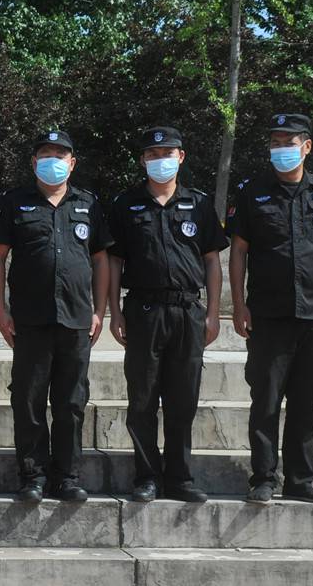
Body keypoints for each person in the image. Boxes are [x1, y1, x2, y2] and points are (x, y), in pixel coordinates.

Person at [228, 113, 313, 505]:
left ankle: (300, 479)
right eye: (275, 143)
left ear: (306, 146)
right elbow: (238, 252)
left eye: (289, 142)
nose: (281, 149)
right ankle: (263, 478)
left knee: (306, 401)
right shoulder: (252, 192)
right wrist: (238, 305)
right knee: (265, 400)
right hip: (268, 315)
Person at [0, 129, 112, 503]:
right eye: (45, 155)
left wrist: (99, 310)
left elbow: (100, 259)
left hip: (76, 319)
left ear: (72, 163)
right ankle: (33, 476)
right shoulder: (14, 202)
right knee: (28, 401)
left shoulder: (88, 203)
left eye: (60, 155)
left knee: (71, 402)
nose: (52, 161)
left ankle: (67, 477)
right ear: (34, 162)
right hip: (30, 319)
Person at [107, 126, 228, 503]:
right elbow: (114, 261)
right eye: (153, 154)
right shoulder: (126, 204)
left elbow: (212, 261)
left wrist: (213, 313)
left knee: (183, 399)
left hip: (188, 312)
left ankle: (179, 477)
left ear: (181, 157)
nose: (160, 160)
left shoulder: (200, 204)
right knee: (142, 399)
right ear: (143, 160)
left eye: (167, 153)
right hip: (143, 311)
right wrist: (114, 312)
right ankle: (146, 476)